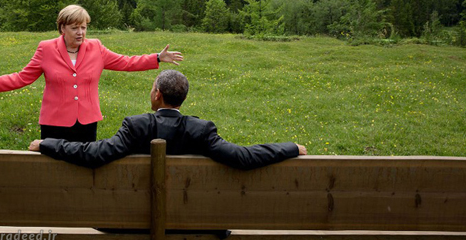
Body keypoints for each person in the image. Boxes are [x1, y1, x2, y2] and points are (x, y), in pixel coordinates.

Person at [0, 5, 183, 143]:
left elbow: (125, 62)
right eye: (75, 27)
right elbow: (22, 77)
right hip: (54, 122)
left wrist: (156, 57)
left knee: (83, 166)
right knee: (53, 170)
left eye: (84, 27)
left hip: (86, 122)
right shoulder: (45, 49)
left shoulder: (96, 47)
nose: (81, 32)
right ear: (62, 28)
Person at [29, 70, 307, 170]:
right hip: (189, 218)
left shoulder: (136, 127)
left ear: (158, 95)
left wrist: (48, 143)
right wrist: (291, 148)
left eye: (152, 88)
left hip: (130, 221)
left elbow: (93, 153)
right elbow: (244, 157)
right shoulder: (201, 131)